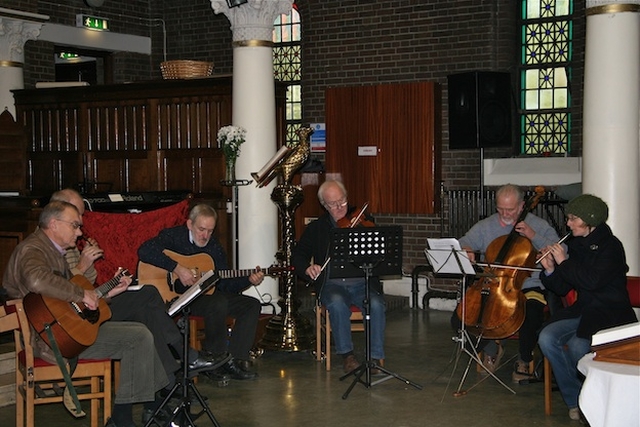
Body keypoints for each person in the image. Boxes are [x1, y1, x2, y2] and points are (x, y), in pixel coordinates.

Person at [49, 189, 228, 417]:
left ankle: (159, 400)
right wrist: (84, 267)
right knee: (146, 312)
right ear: (55, 220)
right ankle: (177, 374)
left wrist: (111, 289)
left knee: (147, 307)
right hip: (71, 327)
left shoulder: (66, 246)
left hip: (88, 311)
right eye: (76, 222)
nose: (81, 227)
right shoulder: (40, 250)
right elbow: (57, 293)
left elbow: (84, 289)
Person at [2, 200, 168, 427]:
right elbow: (37, 280)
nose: (79, 232)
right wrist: (82, 294)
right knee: (138, 337)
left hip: (63, 331)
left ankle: (144, 408)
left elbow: (64, 302)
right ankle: (142, 410)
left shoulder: (51, 251)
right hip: (49, 341)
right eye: (74, 225)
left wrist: (108, 293)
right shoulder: (32, 249)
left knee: (140, 333)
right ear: (54, 224)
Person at [138, 203, 264, 381]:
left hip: (205, 296)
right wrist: (177, 268)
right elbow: (145, 251)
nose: (205, 236)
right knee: (217, 302)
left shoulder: (214, 248)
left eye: (210, 231)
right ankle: (214, 361)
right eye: (201, 229)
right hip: (178, 299)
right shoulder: (173, 236)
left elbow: (224, 284)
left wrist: (247, 280)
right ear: (190, 224)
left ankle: (233, 360)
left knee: (251, 305)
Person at [537, 194, 636, 421]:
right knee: (547, 337)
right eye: (568, 218)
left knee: (576, 345)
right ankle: (575, 399)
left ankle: (590, 399)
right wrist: (551, 269)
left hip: (610, 312)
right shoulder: (575, 245)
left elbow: (591, 281)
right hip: (584, 310)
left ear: (590, 221)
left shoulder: (611, 247)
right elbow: (562, 287)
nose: (568, 224)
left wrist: (564, 262)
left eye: (574, 219)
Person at [453, 184, 562, 382]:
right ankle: (492, 349)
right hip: (494, 284)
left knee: (530, 313)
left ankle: (524, 358)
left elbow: (561, 249)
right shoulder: (486, 225)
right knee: (462, 316)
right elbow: (462, 241)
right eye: (500, 208)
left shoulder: (537, 224)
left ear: (522, 206)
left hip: (528, 286)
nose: (504, 213)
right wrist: (467, 249)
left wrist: (532, 235)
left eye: (510, 209)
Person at [291, 180, 386, 374]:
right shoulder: (317, 229)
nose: (339, 207)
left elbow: (380, 254)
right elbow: (298, 256)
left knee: (376, 304)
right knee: (336, 304)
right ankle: (347, 356)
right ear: (324, 206)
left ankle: (375, 357)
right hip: (332, 284)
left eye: (342, 201)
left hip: (362, 282)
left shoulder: (362, 220)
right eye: (333, 204)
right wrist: (308, 268)